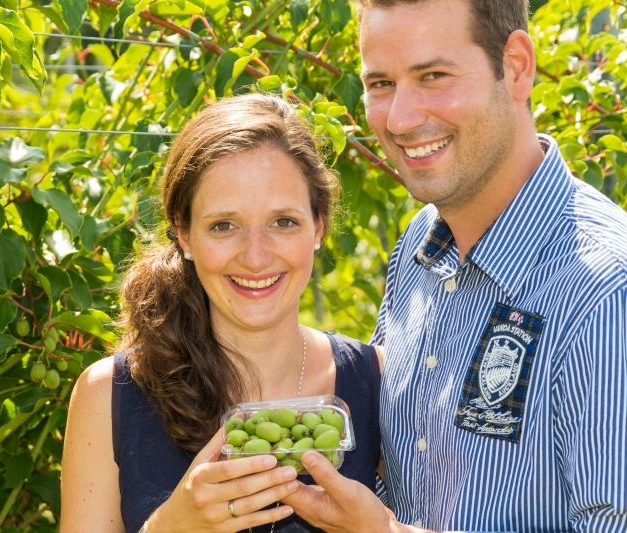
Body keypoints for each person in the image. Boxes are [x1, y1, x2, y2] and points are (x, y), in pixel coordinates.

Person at [283, 0, 627, 532]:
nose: (400, 118)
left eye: (433, 75)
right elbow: (397, 473)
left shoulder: (614, 292)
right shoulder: (421, 247)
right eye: (380, 84)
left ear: (516, 66)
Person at [60, 93, 384, 533]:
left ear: (318, 227)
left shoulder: (378, 383)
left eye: (283, 222)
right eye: (223, 226)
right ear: (184, 234)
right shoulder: (109, 396)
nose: (254, 257)